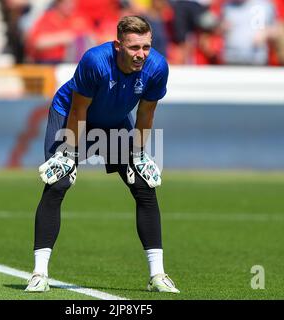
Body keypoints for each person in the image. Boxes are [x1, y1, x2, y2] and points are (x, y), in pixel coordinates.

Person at [25, 15, 180, 294]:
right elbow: (78, 109)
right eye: (133, 47)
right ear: (118, 45)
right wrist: (69, 154)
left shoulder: (157, 66)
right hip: (71, 115)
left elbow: (146, 113)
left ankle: (157, 275)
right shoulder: (95, 61)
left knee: (144, 186)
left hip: (114, 122)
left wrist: (139, 154)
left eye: (145, 47)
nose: (140, 54)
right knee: (58, 183)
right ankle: (39, 273)